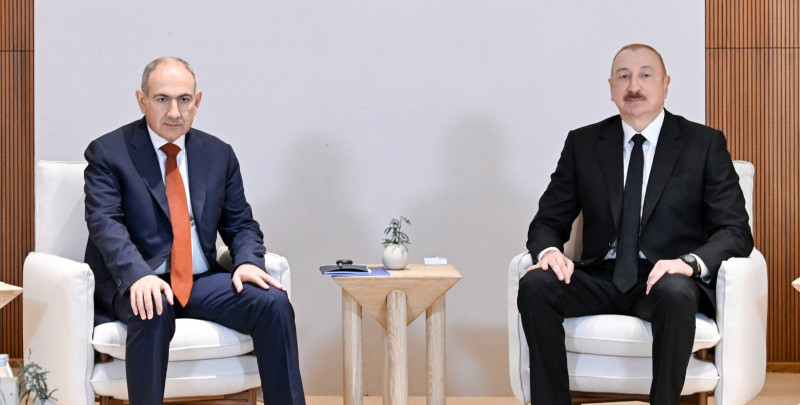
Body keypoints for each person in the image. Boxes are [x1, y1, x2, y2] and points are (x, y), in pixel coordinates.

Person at [517, 44, 753, 405]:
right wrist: (549, 251)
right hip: (600, 275)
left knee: (675, 293)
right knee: (535, 284)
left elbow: (735, 230)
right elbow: (548, 220)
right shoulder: (583, 143)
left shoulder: (703, 144)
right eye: (624, 77)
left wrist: (689, 263)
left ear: (665, 84)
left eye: (645, 75)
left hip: (665, 276)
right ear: (611, 88)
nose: (634, 86)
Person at [84, 57, 305, 405]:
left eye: (184, 100)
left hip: (199, 282)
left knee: (273, 303)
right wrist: (139, 275)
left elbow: (240, 223)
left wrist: (248, 261)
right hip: (138, 280)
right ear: (142, 100)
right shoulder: (109, 152)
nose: (174, 111)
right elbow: (104, 223)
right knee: (153, 306)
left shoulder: (218, 155)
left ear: (197, 102)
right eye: (162, 99)